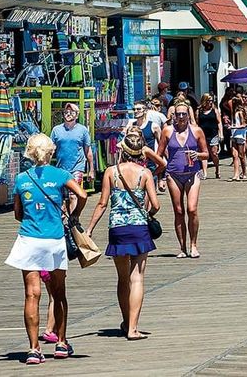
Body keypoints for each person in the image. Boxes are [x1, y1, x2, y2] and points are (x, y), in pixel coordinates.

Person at [5, 134, 87, 364]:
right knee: (58, 293)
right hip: (54, 239)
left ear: (30, 154)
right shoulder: (61, 175)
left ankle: (33, 348)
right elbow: (81, 194)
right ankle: (61, 343)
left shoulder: (22, 179)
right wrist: (74, 215)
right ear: (51, 153)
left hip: (30, 239)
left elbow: (18, 214)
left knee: (32, 294)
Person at [87, 133, 160, 341]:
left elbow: (102, 203)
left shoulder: (111, 172)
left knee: (122, 278)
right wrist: (148, 215)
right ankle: (133, 328)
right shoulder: (145, 173)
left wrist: (90, 228)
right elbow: (156, 205)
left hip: (117, 229)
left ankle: (126, 320)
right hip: (139, 228)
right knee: (137, 277)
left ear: (123, 151)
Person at [156, 101, 208, 258]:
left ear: (188, 115)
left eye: (183, 114)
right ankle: (182, 247)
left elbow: (206, 153)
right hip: (173, 174)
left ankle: (193, 244)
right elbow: (159, 155)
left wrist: (197, 155)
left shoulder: (197, 131)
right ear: (173, 115)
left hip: (193, 173)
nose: (180, 117)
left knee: (192, 209)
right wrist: (160, 177)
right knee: (178, 211)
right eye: (177, 114)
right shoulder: (167, 131)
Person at [50, 102, 94, 212]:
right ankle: (64, 220)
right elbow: (51, 149)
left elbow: (88, 151)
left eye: (71, 112)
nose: (68, 114)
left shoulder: (82, 130)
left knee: (73, 195)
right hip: (61, 168)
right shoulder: (56, 130)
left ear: (77, 115)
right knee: (62, 197)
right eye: (66, 112)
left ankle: (73, 221)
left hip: (77, 167)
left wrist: (91, 169)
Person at [196, 94, 223, 179]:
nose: (210, 102)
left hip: (213, 134)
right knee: (204, 153)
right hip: (202, 135)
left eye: (211, 100)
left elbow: (219, 122)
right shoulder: (199, 111)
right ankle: (205, 173)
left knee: (214, 153)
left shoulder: (214, 110)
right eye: (209, 100)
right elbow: (196, 123)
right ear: (204, 101)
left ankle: (217, 169)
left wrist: (221, 133)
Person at [228, 96, 247, 181]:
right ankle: (236, 174)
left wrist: (233, 127)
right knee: (234, 155)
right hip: (233, 135)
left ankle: (244, 173)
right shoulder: (234, 112)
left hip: (240, 135)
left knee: (241, 155)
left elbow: (244, 125)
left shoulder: (240, 112)